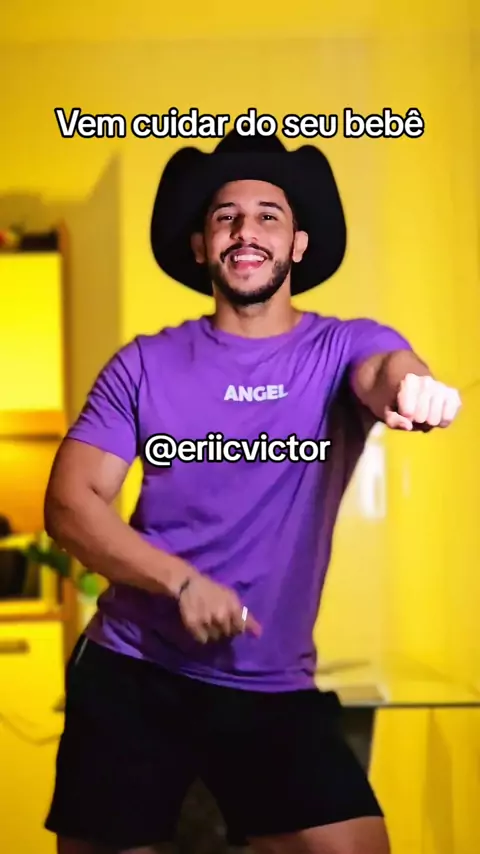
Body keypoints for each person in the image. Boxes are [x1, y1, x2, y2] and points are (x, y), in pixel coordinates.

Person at [43, 129, 461, 854]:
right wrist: (180, 583)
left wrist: (413, 388)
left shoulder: (340, 349)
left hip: (269, 684)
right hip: (134, 668)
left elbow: (386, 370)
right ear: (201, 246)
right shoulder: (143, 365)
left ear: (297, 243)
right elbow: (69, 503)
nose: (246, 231)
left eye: (269, 215)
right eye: (225, 217)